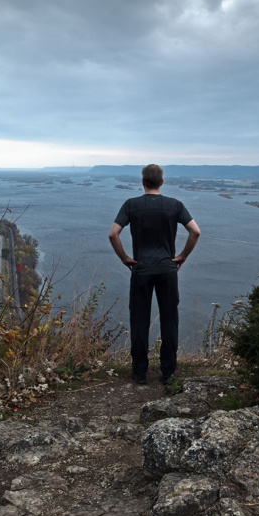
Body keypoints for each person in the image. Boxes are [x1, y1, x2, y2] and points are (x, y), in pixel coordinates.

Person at [109, 164, 200, 385]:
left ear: (143, 182)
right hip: (167, 269)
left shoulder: (131, 205)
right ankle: (168, 373)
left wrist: (124, 258)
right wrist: (182, 256)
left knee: (139, 320)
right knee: (170, 320)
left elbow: (113, 234)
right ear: (161, 182)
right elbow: (195, 231)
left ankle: (140, 372)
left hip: (141, 270)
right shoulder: (175, 205)